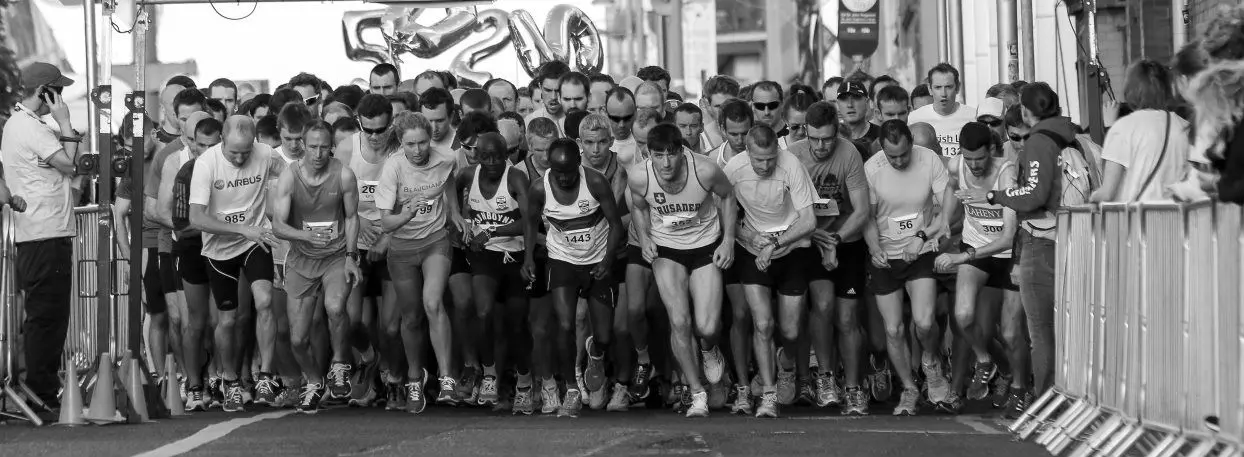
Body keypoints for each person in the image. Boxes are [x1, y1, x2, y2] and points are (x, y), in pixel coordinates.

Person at [957, 82, 1070, 404]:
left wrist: (995, 196)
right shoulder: (1068, 136)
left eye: (1023, 135)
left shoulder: (1040, 142)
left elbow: (1033, 196)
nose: (1020, 143)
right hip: (1056, 238)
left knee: (1038, 331)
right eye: (1014, 137)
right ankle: (1031, 389)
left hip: (1039, 241)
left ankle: (1040, 399)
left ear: (1028, 113)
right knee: (1040, 329)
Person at [629, 123, 737, 417]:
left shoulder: (705, 170)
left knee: (707, 327)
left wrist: (728, 240)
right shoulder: (639, 176)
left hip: (704, 246)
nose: (666, 163)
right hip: (667, 248)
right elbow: (639, 207)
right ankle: (696, 391)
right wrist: (644, 238)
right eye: (658, 155)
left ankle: (709, 349)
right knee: (679, 321)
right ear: (648, 154)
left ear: (682, 151)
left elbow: (728, 196)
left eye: (672, 154)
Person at [188, 115, 287, 412]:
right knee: (227, 320)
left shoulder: (266, 154)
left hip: (255, 241)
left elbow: (294, 177)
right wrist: (241, 228)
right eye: (234, 153)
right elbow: (196, 218)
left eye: (246, 152)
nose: (241, 158)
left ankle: (265, 376)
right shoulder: (206, 164)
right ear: (222, 140)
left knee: (264, 301)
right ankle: (229, 379)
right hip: (219, 250)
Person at [522, 138, 626, 418]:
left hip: (597, 261)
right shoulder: (539, 188)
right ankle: (570, 388)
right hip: (562, 261)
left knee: (604, 334)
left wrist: (607, 260)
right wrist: (528, 257)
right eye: (558, 172)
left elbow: (616, 225)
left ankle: (596, 353)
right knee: (565, 324)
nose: (564, 178)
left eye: (569, 172)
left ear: (578, 165)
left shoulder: (595, 182)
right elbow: (530, 223)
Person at [724, 125, 818, 418]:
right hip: (752, 250)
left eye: (770, 159)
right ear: (747, 151)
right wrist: (750, 237)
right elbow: (722, 217)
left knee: (790, 330)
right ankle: (768, 393)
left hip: (791, 248)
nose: (765, 166)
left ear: (777, 150)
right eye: (758, 159)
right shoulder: (733, 169)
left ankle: (786, 362)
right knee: (763, 324)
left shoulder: (791, 165)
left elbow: (809, 220)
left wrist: (776, 244)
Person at [375, 112, 466, 413]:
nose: (417, 150)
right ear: (401, 143)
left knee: (433, 302)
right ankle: (415, 377)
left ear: (431, 140)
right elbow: (386, 223)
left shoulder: (446, 158)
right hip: (401, 248)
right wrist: (406, 214)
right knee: (412, 317)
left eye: (423, 143)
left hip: (435, 241)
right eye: (410, 144)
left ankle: (447, 377)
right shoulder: (393, 168)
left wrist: (454, 211)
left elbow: (448, 180)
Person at [934, 122, 1027, 416]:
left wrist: (963, 257)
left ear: (991, 150)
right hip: (977, 247)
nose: (973, 165)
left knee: (1010, 333)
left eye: (980, 158)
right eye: (968, 158)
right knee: (963, 316)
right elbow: (951, 186)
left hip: (1008, 254)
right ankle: (984, 360)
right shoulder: (956, 165)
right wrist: (945, 220)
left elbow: (1008, 238)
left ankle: (1020, 388)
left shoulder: (1006, 173)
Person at [270, 120, 362, 413]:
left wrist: (351, 256)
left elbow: (352, 217)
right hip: (301, 260)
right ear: (303, 146)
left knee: (335, 308)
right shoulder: (289, 176)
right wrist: (304, 236)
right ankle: (313, 380)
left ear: (332, 146)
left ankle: (339, 364)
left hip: (335, 256)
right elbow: (278, 225)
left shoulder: (344, 175)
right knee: (297, 339)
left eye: (324, 147)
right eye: (313, 147)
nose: (318, 153)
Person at [789, 101, 872, 415]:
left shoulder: (849, 153)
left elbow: (862, 211)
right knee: (822, 306)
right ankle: (824, 377)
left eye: (827, 139)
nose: (821, 146)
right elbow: (786, 210)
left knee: (848, 318)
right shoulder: (794, 155)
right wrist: (813, 237)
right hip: (810, 241)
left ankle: (853, 387)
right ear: (805, 132)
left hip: (845, 239)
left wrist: (836, 240)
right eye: (814, 139)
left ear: (837, 132)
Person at [863, 120, 951, 416]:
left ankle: (932, 364)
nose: (899, 161)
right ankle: (909, 388)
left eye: (903, 154)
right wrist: (874, 248)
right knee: (893, 328)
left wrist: (921, 236)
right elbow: (866, 217)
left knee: (924, 323)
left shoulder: (929, 160)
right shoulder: (872, 168)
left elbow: (947, 209)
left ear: (911, 142)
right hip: (886, 255)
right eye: (892, 156)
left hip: (920, 251)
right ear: (882, 148)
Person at [0, 61, 75, 408]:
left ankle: (40, 389)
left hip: (40, 231)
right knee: (48, 315)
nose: (61, 98)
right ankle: (41, 392)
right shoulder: (30, 126)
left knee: (46, 314)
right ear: (45, 92)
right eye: (58, 91)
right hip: (44, 231)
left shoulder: (23, 123)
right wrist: (65, 123)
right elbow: (70, 165)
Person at [456, 131, 534, 413]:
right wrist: (459, 219)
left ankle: (525, 382)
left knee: (517, 324)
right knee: (484, 312)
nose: (491, 163)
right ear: (476, 155)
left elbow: (529, 220)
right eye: (485, 157)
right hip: (485, 256)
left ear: (506, 156)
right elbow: (450, 192)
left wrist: (528, 259)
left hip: (514, 255)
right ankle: (489, 374)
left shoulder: (516, 178)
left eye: (497, 157)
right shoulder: (467, 175)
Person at [333, 93, 396, 408]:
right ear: (359, 124)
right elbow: (333, 196)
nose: (374, 136)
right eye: (367, 129)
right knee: (352, 319)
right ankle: (370, 358)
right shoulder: (347, 149)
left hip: (393, 241)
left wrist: (386, 234)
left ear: (391, 124)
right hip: (356, 243)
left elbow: (413, 199)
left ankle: (392, 380)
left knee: (390, 326)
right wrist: (359, 219)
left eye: (380, 130)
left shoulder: (401, 149)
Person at [156, 113, 219, 410]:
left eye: (211, 145)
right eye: (198, 144)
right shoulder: (186, 171)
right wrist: (221, 224)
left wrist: (224, 226)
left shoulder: (232, 168)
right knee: (195, 322)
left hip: (224, 250)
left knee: (222, 322)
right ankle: (194, 385)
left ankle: (223, 380)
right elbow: (180, 225)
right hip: (192, 251)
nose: (203, 151)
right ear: (190, 143)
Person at [1090, 60, 1191, 203]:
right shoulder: (1185, 127)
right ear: (1167, 89)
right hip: (1177, 214)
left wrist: (1090, 199)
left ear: (1131, 90)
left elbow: (1107, 194)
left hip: (1137, 215)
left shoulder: (1123, 128)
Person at [909, 64, 977, 157]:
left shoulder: (974, 117)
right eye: (938, 87)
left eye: (948, 87)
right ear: (930, 89)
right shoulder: (914, 118)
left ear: (958, 87)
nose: (943, 93)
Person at [837, 81, 882, 157]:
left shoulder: (881, 135)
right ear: (838, 104)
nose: (850, 104)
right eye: (844, 99)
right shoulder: (830, 137)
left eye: (856, 98)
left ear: (867, 102)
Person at [700, 75, 740, 150]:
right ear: (708, 105)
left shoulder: (751, 135)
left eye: (729, 105)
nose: (724, 111)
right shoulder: (700, 140)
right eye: (718, 106)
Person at [605, 88, 640, 167]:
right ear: (605, 113)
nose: (621, 125)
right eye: (615, 119)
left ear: (635, 113)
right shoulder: (595, 142)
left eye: (627, 118)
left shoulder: (644, 142)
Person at [420, 87, 458, 155]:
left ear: (451, 117)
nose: (434, 128)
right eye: (428, 121)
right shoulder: (408, 144)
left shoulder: (466, 146)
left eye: (440, 121)